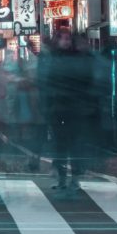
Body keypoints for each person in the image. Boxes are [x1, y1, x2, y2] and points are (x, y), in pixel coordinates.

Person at [38, 27, 95, 192]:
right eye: (63, 38)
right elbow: (44, 83)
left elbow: (87, 81)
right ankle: (63, 178)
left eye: (68, 39)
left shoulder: (76, 58)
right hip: (58, 108)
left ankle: (74, 178)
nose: (66, 41)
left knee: (73, 144)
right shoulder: (52, 58)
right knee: (60, 144)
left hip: (73, 107)